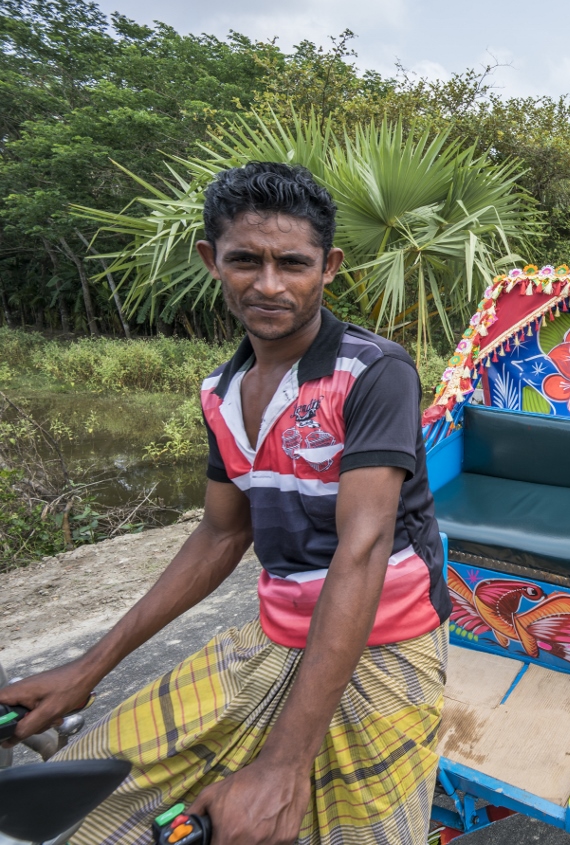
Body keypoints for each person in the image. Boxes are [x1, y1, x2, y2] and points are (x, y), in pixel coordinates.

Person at [0, 163, 451, 844]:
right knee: (92, 794)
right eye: (246, 260)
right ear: (213, 260)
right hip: (278, 631)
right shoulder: (222, 389)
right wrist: (86, 669)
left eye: (292, 263)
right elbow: (218, 534)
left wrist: (284, 765)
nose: (269, 285)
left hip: (386, 642)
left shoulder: (373, 371)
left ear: (327, 267)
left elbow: (362, 549)